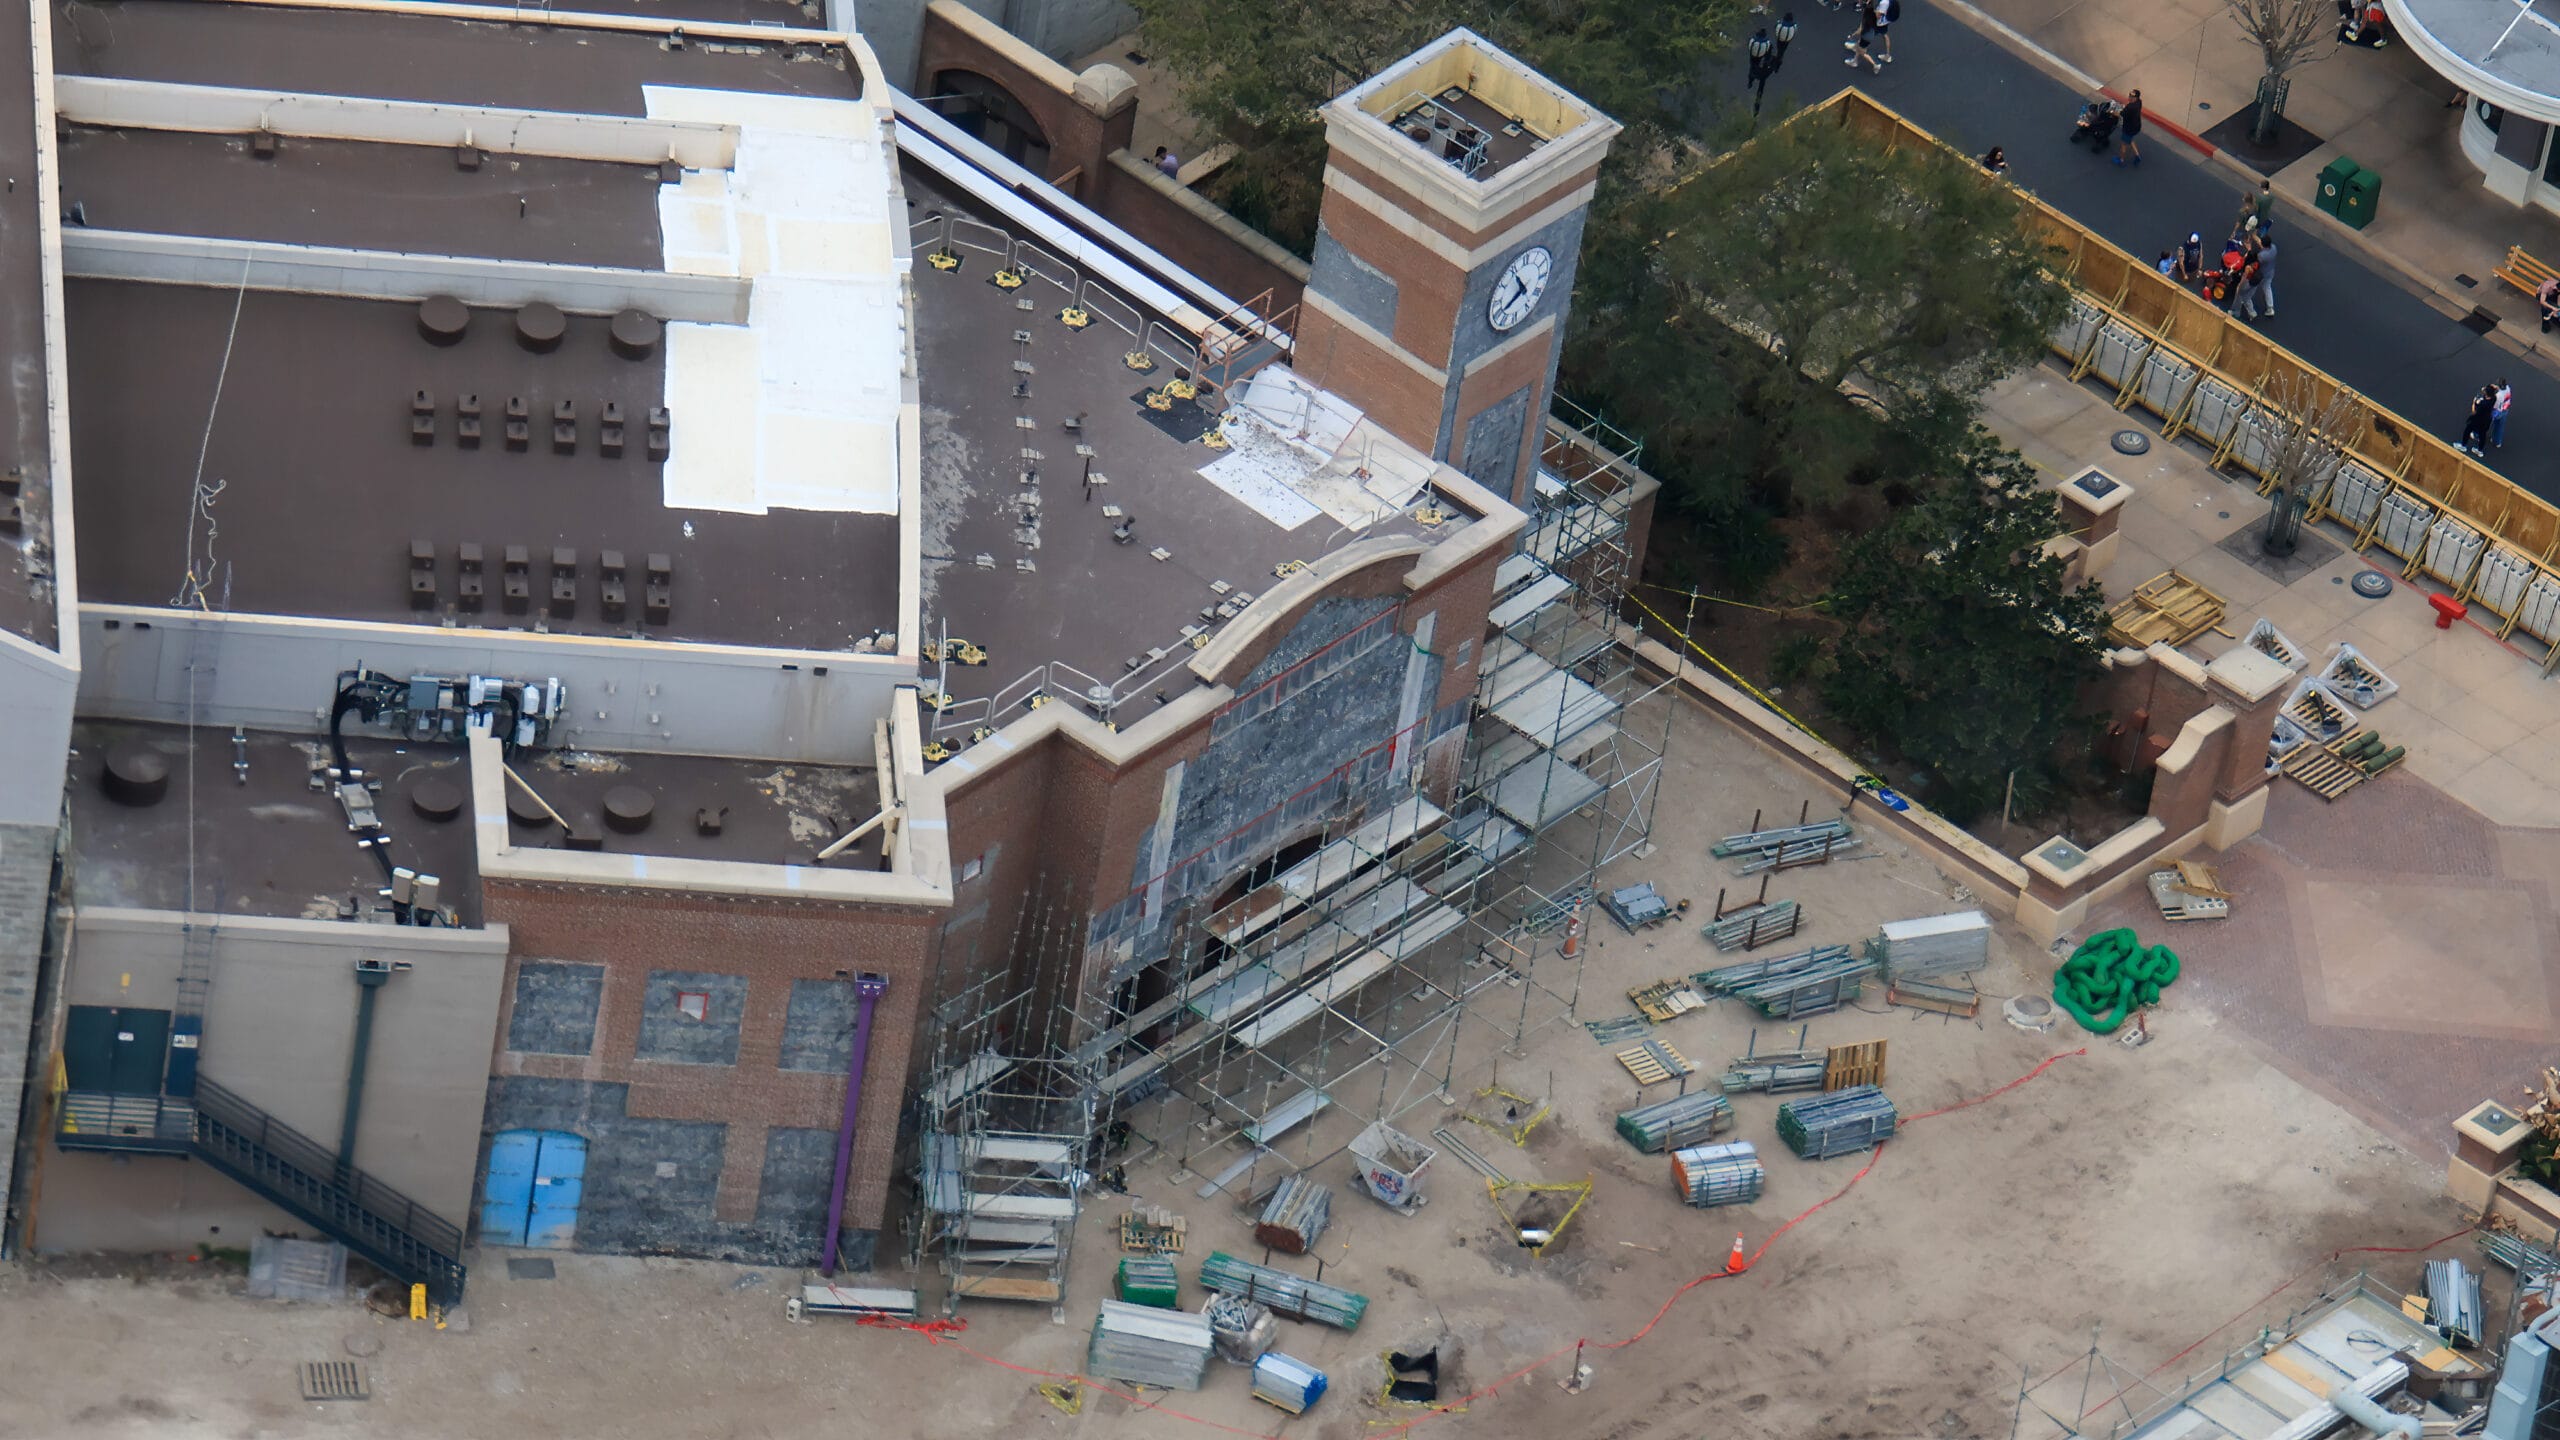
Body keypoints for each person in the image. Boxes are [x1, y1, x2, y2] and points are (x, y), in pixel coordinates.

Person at [2459, 385, 2495, 457]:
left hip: (2477, 420)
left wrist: (2474, 402)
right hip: (2486, 420)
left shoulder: (2483, 404)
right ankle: (2479, 451)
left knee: (2468, 430)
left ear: (2487, 394)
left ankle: (2463, 446)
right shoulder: (2494, 398)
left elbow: (2474, 411)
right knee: (2482, 435)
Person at [1846, 0, 1882, 71]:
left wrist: (1851, 35)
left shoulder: (1865, 19)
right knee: (1859, 47)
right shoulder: (1873, 16)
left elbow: (1859, 30)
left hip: (1865, 37)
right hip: (1870, 35)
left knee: (1862, 53)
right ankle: (1854, 60)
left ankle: (1875, 65)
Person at [2114, 89, 2144, 165]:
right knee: (2130, 139)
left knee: (2123, 144)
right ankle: (2137, 156)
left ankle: (2121, 160)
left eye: (2132, 97)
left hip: (2128, 129)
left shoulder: (2130, 107)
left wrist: (2113, 112)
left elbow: (2121, 114)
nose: (2130, 97)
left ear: (2136, 98)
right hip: (2136, 126)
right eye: (2130, 95)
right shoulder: (2139, 102)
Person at [2492, 378, 2513, 449]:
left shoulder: (2499, 395)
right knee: (2500, 426)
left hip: (2498, 411)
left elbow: (2495, 406)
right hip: (2505, 409)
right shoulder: (2508, 388)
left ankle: (2477, 435)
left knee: (2484, 422)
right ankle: (2497, 441)